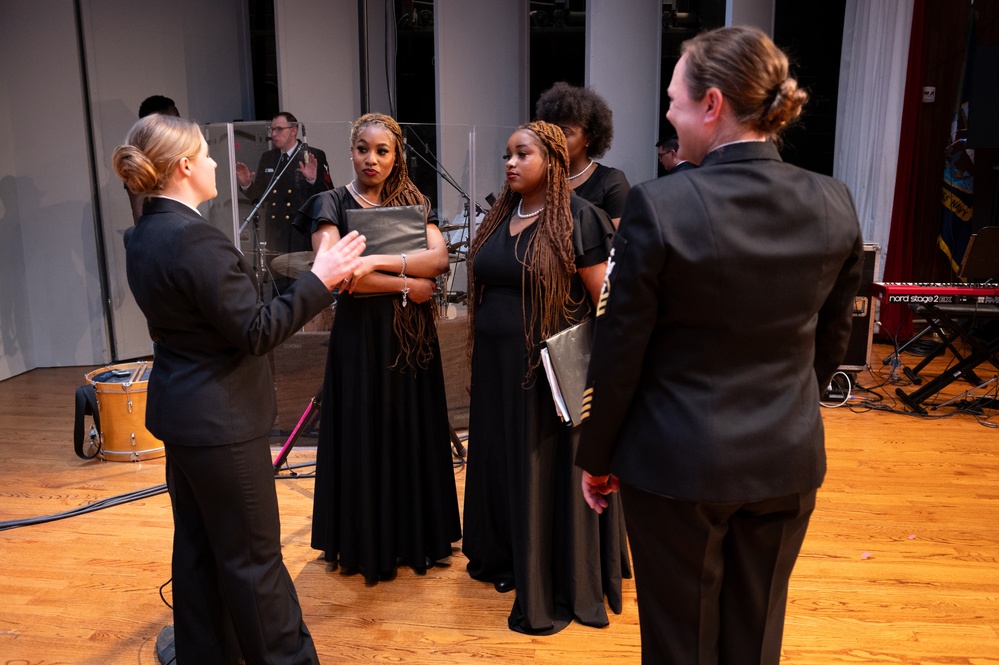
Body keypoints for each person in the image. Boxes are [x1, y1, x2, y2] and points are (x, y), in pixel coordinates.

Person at [575, 25, 864, 664]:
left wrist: (597, 454)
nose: (671, 116)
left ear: (712, 104)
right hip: (786, 458)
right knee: (757, 639)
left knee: (681, 642)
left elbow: (621, 350)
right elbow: (831, 343)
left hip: (678, 464)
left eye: (675, 101)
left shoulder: (660, 205)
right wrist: (788, 414)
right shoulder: (835, 200)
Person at [113, 113, 370, 664]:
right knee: (254, 562)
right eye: (205, 155)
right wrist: (320, 281)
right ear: (183, 167)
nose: (214, 163)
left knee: (200, 552)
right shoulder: (196, 240)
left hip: (183, 418)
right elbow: (256, 331)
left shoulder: (143, 235)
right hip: (222, 423)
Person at [462, 120, 621, 635]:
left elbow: (606, 303)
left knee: (541, 468)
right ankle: (507, 558)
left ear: (552, 160)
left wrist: (602, 379)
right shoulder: (499, 215)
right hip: (496, 370)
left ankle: (553, 575)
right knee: (503, 464)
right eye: (506, 155)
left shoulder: (581, 218)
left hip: (547, 373)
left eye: (522, 154)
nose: (510, 163)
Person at [294, 112, 461, 584]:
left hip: (411, 341)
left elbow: (441, 258)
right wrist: (409, 282)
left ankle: (417, 538)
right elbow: (340, 275)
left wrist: (376, 264)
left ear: (396, 156)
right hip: (360, 342)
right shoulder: (330, 202)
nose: (372, 158)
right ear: (350, 150)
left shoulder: (413, 202)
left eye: (382, 151)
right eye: (363, 149)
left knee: (411, 430)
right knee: (365, 432)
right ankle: (367, 544)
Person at [237, 112, 333, 290]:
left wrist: (313, 180)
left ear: (294, 130)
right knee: (279, 290)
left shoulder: (312, 155)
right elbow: (259, 197)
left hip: (300, 234)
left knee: (302, 290)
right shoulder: (269, 157)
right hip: (276, 236)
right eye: (272, 129)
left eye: (279, 129)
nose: (274, 134)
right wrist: (246, 184)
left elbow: (327, 195)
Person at [535, 82, 631, 227]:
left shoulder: (611, 182)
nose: (554, 138)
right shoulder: (541, 179)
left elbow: (617, 243)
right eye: (551, 132)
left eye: (564, 133)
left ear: (589, 139)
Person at [128, 95, 180, 224]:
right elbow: (138, 209)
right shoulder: (139, 161)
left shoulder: (178, 153)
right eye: (174, 120)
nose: (180, 125)